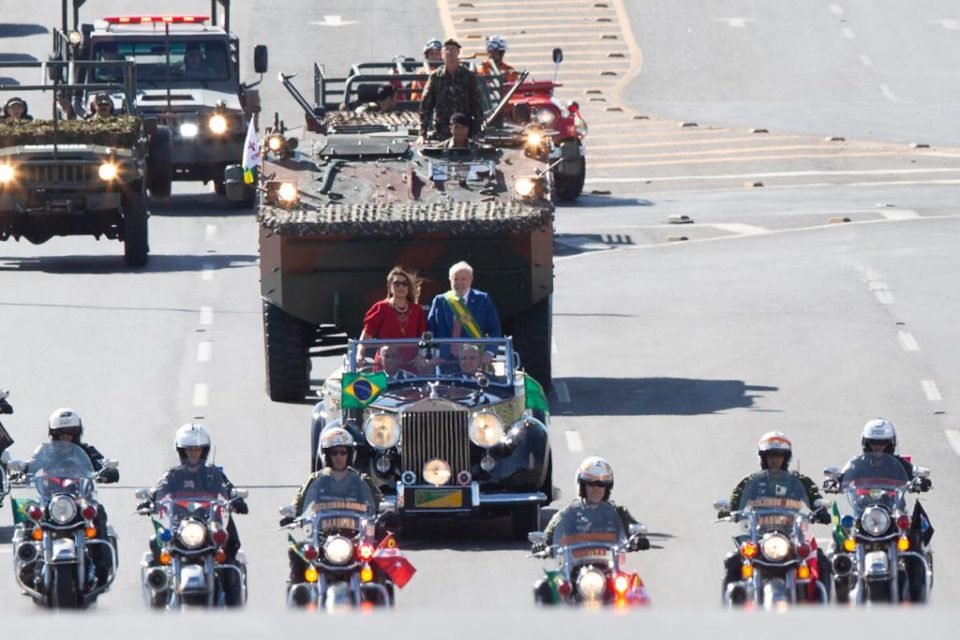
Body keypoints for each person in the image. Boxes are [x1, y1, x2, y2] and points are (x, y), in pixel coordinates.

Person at [137, 423, 248, 606]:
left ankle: (232, 604)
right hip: (178, 528)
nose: (194, 455)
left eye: (197, 450)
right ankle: (158, 599)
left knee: (230, 553)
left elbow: (228, 489)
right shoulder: (172, 475)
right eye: (189, 451)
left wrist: (236, 500)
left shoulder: (214, 474)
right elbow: (158, 490)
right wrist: (149, 500)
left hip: (211, 526)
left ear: (204, 451)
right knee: (156, 546)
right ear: (181, 452)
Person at [718, 431, 832, 602]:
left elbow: (815, 497)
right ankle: (730, 607)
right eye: (770, 455)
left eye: (779, 456)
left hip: (792, 537)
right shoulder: (751, 481)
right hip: (758, 536)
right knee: (733, 560)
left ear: (786, 458)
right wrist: (730, 510)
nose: (774, 460)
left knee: (821, 560)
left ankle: (822, 608)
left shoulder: (799, 481)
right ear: (763, 457)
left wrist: (820, 509)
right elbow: (736, 502)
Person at [839, 418, 931, 601]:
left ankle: (917, 592)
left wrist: (920, 481)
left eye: (883, 444)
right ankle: (839, 588)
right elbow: (843, 477)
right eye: (874, 444)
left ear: (891, 445)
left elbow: (913, 475)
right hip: (863, 515)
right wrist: (835, 481)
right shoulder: (856, 464)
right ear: (866, 444)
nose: (878, 448)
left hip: (893, 514)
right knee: (839, 539)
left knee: (914, 541)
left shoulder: (900, 465)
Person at [533, 457, 649, 603]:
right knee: (545, 587)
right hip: (574, 567)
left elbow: (635, 528)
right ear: (582, 486)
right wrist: (542, 544)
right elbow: (548, 534)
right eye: (591, 484)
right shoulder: (568, 512)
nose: (596, 489)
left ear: (607, 487)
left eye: (601, 484)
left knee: (635, 588)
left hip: (608, 567)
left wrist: (638, 538)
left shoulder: (618, 512)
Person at [282, 427, 383, 584]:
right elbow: (298, 503)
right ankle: (298, 594)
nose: (339, 457)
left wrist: (387, 512)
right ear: (326, 455)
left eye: (343, 452)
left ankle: (380, 597)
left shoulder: (362, 479)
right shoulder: (316, 479)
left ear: (350, 454)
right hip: (323, 536)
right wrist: (291, 514)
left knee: (380, 555)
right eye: (334, 453)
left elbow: (379, 503)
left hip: (356, 536)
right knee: (297, 551)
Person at [42, 409, 119, 586]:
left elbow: (101, 463)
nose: (66, 436)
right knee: (30, 518)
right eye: (61, 433)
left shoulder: (87, 451)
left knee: (98, 514)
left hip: (80, 501)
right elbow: (30, 465)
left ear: (77, 433)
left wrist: (106, 470)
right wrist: (22, 472)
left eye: (71, 432)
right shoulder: (44, 452)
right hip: (51, 502)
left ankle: (102, 566)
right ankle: (29, 562)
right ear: (53, 434)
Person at [427, 261, 502, 364]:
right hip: (445, 361)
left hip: (475, 360)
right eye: (455, 279)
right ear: (450, 280)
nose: (459, 283)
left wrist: (489, 352)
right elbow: (430, 331)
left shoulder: (482, 299)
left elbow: (495, 329)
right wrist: (432, 354)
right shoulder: (440, 300)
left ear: (471, 280)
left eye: (463, 279)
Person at [417, 39, 484, 142]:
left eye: (453, 49)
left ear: (458, 53)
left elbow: (477, 105)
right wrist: (422, 134)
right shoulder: (436, 77)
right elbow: (426, 106)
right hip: (441, 131)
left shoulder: (468, 76)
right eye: (447, 49)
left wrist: (476, 131)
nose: (450, 52)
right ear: (442, 54)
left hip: (465, 132)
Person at [359, 267, 427, 361]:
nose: (401, 287)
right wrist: (359, 353)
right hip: (385, 364)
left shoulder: (417, 309)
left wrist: (421, 355)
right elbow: (367, 334)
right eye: (396, 284)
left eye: (404, 284)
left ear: (408, 288)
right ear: (390, 287)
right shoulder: (380, 307)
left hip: (410, 363)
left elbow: (423, 336)